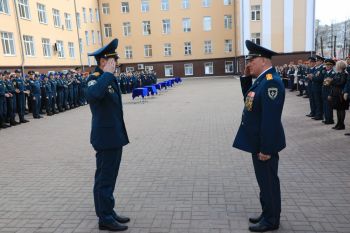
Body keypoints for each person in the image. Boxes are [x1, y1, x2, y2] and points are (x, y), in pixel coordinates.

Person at [233, 40, 285, 232]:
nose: (248, 64)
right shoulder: (263, 80)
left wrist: (266, 149)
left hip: (265, 145)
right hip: (258, 143)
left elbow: (270, 120)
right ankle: (267, 213)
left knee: (269, 183)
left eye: (251, 61)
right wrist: (246, 78)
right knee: (264, 182)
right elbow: (250, 102)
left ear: (263, 61)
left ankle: (271, 220)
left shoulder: (271, 83)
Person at [86, 38, 130, 232]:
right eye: (113, 61)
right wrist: (107, 74)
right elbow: (93, 95)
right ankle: (104, 218)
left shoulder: (107, 78)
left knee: (108, 177)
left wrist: (109, 75)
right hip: (105, 139)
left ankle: (108, 211)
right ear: (103, 61)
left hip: (113, 136)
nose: (116, 64)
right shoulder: (95, 78)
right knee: (104, 179)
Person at [329, 60, 349, 130]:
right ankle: (338, 123)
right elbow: (334, 82)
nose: (336, 66)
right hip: (336, 94)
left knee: (341, 109)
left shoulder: (344, 74)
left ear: (340, 66)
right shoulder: (337, 74)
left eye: (337, 65)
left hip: (341, 94)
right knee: (337, 109)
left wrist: (332, 82)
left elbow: (341, 83)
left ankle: (342, 124)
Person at [322, 59, 336, 124]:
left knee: (329, 106)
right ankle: (326, 118)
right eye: (326, 65)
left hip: (329, 91)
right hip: (324, 91)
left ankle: (330, 120)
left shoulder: (333, 73)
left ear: (332, 65)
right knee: (325, 106)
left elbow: (330, 83)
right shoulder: (325, 72)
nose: (327, 66)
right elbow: (325, 82)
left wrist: (331, 94)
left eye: (329, 65)